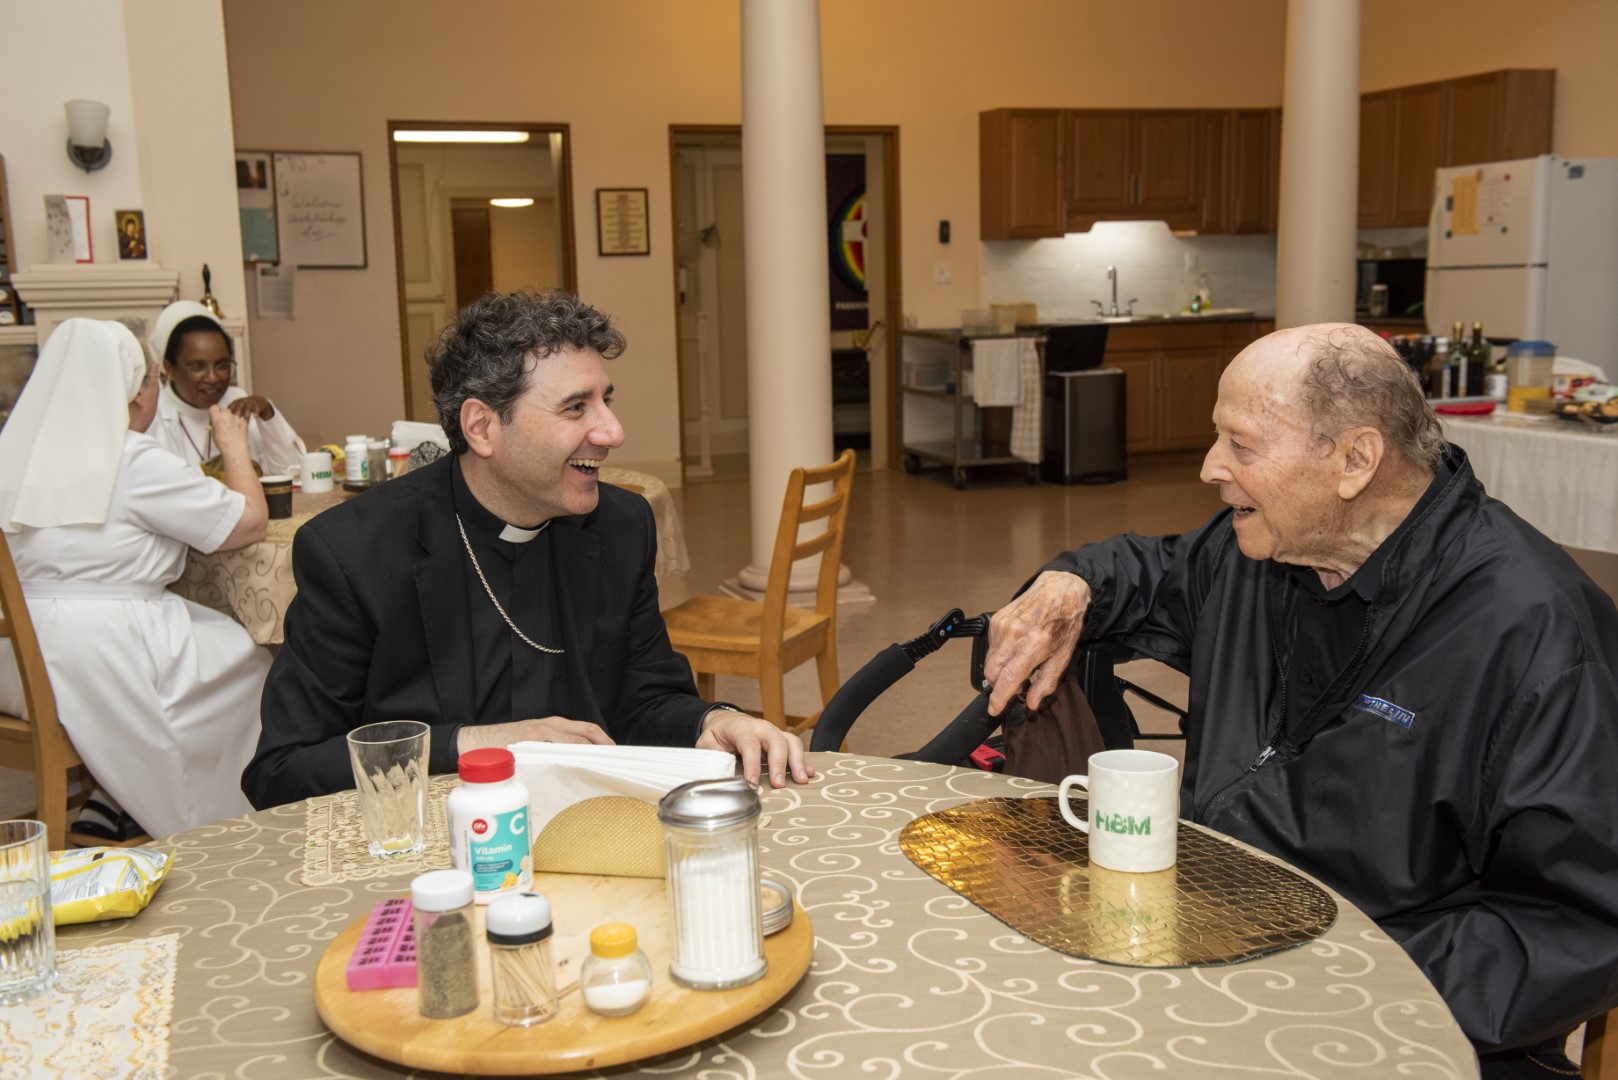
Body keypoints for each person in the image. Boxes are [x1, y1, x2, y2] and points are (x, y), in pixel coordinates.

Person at [983, 323, 1618, 1077]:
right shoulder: (1262, 550)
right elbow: (1149, 568)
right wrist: (1070, 585)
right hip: (1219, 957)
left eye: (1241, 446)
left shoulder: (1536, 636)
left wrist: (1344, 977)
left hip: (1407, 1025)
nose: (1210, 468)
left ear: (1355, 460)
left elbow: (1577, 927)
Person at [244, 290, 813, 808]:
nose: (612, 432)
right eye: (576, 407)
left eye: (606, 401)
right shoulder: (356, 551)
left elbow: (645, 696)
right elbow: (283, 771)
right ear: (483, 427)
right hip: (432, 850)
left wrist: (711, 721)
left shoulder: (620, 525)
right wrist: (481, 745)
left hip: (590, 828)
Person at [0, 319, 271, 838]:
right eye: (150, 381)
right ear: (132, 391)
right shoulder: (128, 457)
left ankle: (113, 798)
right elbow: (247, 523)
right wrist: (233, 444)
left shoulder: (17, 454)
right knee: (252, 658)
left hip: (18, 663)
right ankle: (200, 822)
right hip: (99, 657)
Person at [148, 300, 305, 476]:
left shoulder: (237, 401)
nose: (213, 378)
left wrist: (267, 413)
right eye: (197, 367)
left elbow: (292, 470)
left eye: (222, 365)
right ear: (169, 369)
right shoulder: (153, 415)